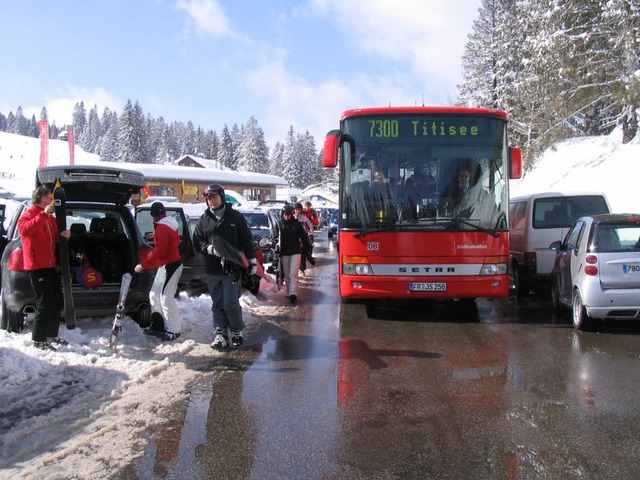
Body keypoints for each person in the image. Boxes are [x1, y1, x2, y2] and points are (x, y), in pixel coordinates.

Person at [192, 184, 257, 350]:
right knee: (217, 302)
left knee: (230, 302)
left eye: (214, 197)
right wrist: (208, 248)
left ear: (221, 197)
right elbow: (197, 241)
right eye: (208, 199)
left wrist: (252, 261)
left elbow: (246, 240)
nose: (211, 202)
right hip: (213, 268)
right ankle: (220, 333)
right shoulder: (204, 219)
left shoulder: (235, 217)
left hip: (231, 268)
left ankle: (236, 331)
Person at [17, 186, 71, 350]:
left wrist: (65, 236)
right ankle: (38, 339)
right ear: (42, 198)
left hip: (49, 266)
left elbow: (55, 238)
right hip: (36, 267)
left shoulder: (50, 219)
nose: (52, 201)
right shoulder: (29, 215)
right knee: (44, 302)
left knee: (55, 301)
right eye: (49, 197)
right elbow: (24, 230)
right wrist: (43, 214)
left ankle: (51, 335)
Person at [135, 202, 183, 341]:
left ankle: (174, 330)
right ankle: (158, 325)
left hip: (171, 265)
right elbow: (170, 243)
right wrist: (155, 237)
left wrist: (143, 265)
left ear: (153, 215)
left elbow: (159, 251)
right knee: (154, 294)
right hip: (166, 265)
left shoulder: (162, 227)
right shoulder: (168, 224)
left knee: (166, 297)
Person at [277, 204, 312, 303]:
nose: (286, 216)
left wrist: (307, 248)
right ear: (282, 214)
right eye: (285, 214)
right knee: (287, 273)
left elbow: (304, 236)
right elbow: (276, 238)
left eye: (288, 214)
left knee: (293, 273)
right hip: (284, 252)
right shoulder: (280, 224)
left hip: (296, 251)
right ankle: (289, 291)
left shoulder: (296, 224)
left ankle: (293, 292)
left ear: (291, 214)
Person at [294, 202, 315, 272]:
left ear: (301, 210)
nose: (297, 211)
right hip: (294, 238)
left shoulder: (304, 219)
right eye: (296, 209)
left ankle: (302, 268)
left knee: (303, 253)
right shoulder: (292, 218)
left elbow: (310, 227)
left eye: (299, 209)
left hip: (303, 237)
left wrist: (311, 235)